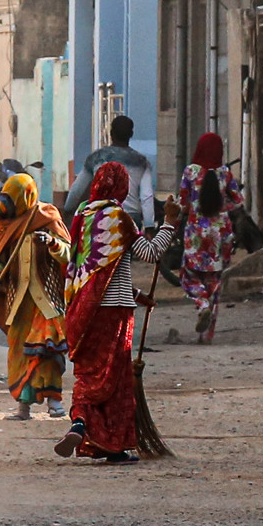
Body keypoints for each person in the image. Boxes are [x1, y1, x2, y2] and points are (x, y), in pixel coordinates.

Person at [54, 164, 179, 464]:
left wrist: (138, 294)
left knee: (87, 374)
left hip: (83, 310)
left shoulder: (83, 216)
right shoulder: (119, 218)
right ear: (122, 188)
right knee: (115, 376)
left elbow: (94, 269)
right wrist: (170, 223)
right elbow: (150, 254)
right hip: (115, 313)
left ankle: (80, 424)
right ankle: (113, 445)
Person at [0, 173, 72, 420]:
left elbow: (69, 255)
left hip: (47, 301)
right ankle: (23, 406)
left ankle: (54, 401)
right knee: (20, 354)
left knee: (48, 350)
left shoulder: (48, 218)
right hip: (19, 303)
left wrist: (52, 245)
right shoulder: (6, 224)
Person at [178, 132, 243, 344]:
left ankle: (202, 305)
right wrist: (223, 208)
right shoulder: (225, 174)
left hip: (196, 233)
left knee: (189, 276)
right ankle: (207, 336)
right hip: (221, 235)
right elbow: (238, 201)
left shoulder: (190, 172)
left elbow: (183, 202)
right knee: (214, 284)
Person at [63, 116, 156, 229]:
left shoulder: (96, 158)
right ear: (131, 134)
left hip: (100, 216)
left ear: (111, 133)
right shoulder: (141, 162)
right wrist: (149, 225)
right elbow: (146, 196)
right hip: (130, 220)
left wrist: (67, 210)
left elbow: (77, 189)